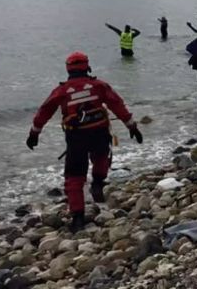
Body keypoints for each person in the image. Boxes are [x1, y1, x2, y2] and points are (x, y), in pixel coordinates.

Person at [27, 52, 143, 232]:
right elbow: (117, 104)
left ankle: (78, 218)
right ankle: (98, 182)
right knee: (102, 157)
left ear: (68, 69)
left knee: (74, 177)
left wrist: (34, 133)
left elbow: (45, 110)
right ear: (87, 67)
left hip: (76, 138)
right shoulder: (99, 86)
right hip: (99, 133)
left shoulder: (62, 90)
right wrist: (132, 127)